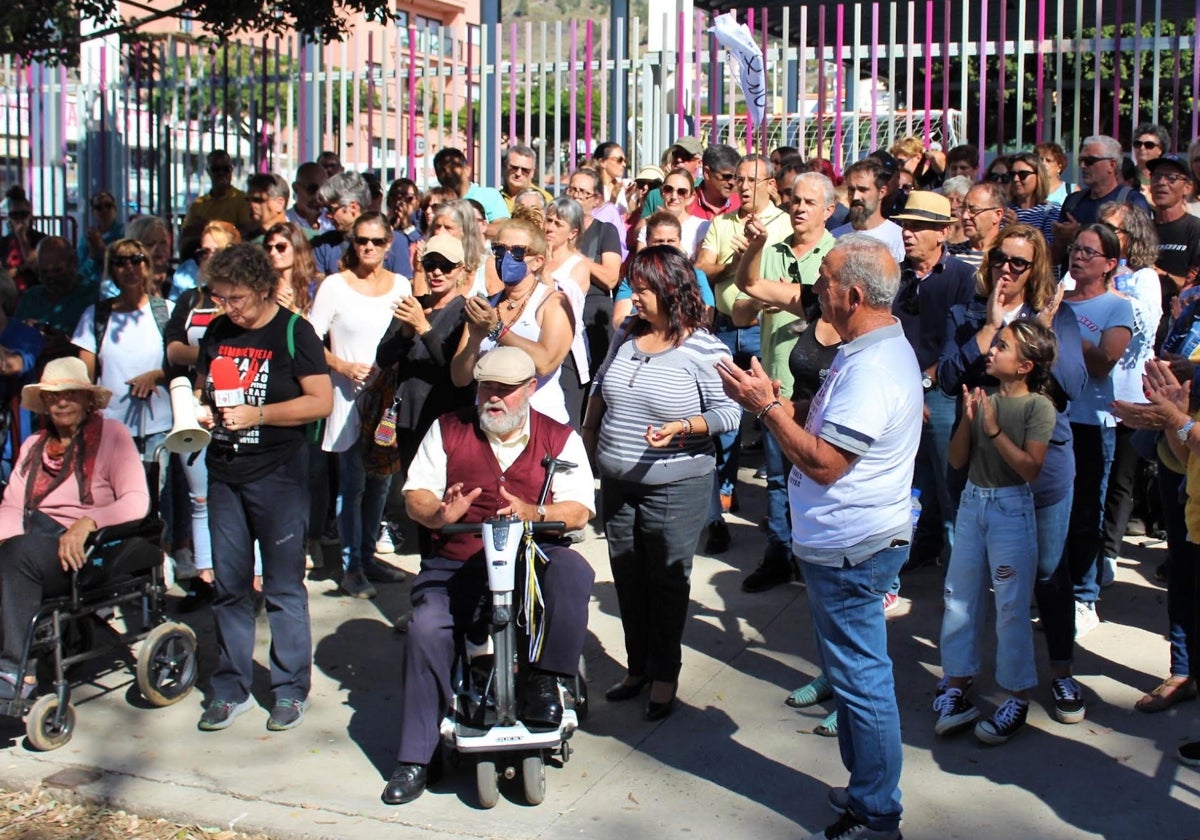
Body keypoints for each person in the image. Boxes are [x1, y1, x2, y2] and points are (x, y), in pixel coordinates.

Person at [717, 234, 920, 840]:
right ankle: (867, 792)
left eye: (824, 279)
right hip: (846, 544)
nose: (815, 289)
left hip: (853, 549)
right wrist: (777, 402)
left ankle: (878, 813)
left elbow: (827, 463)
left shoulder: (874, 366)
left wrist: (765, 409)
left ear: (852, 295)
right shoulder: (867, 350)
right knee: (857, 679)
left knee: (862, 685)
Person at [383, 346, 595, 805]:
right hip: (459, 559)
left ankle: (545, 682)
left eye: (505, 390)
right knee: (427, 626)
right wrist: (440, 513)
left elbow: (578, 511)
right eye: (486, 389)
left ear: (530, 390)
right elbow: (414, 494)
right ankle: (416, 757)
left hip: (530, 560)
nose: (493, 399)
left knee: (573, 573)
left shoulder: (559, 437)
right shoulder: (449, 429)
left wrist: (535, 512)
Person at [937, 224, 1089, 726]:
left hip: (1038, 473)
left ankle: (1061, 671)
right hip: (979, 472)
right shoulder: (966, 314)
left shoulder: (1056, 316)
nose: (1006, 268)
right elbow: (945, 379)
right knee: (971, 578)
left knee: (1047, 572)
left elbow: (1071, 387)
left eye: (1019, 262)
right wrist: (988, 332)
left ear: (1036, 269)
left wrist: (1041, 337)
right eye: (1000, 257)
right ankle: (960, 682)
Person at [588, 246, 740, 720]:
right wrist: (587, 441)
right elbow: (600, 386)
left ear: (673, 291)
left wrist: (683, 428)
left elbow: (731, 412)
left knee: (666, 582)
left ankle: (664, 675)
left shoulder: (705, 348)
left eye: (645, 289)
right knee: (628, 578)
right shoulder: (628, 332)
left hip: (676, 485)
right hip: (617, 480)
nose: (634, 298)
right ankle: (637, 667)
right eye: (633, 287)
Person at [193, 244, 332, 733]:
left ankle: (290, 689)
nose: (227, 308)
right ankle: (229, 687)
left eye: (236, 299)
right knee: (229, 586)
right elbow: (202, 385)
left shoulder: (296, 332)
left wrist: (261, 414)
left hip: (279, 474)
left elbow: (321, 402)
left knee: (282, 586)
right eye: (220, 297)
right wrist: (202, 409)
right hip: (226, 471)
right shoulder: (216, 331)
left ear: (263, 288)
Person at [935, 321, 1059, 744]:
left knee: (1010, 605)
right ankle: (956, 684)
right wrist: (971, 421)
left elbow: (1030, 467)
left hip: (1010, 508)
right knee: (959, 597)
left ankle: (1016, 695)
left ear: (1025, 365)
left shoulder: (1039, 408)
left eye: (1002, 347)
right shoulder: (982, 397)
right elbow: (956, 461)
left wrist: (992, 429)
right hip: (973, 502)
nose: (992, 351)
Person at [0, 357, 150, 701]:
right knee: (13, 551)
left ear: (87, 399)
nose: (61, 401)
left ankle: (15, 674)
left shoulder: (113, 435)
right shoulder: (34, 444)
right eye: (53, 396)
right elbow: (11, 504)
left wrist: (88, 521)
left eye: (70, 394)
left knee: (18, 555)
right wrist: (6, 540)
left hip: (89, 550)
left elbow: (136, 501)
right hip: (32, 542)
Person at [734, 170, 838, 592]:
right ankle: (779, 554)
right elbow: (741, 312)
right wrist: (763, 288)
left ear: (829, 210)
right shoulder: (770, 250)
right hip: (777, 384)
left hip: (824, 387)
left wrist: (783, 297)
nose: (798, 208)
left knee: (821, 477)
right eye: (794, 200)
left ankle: (816, 556)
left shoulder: (839, 255)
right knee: (778, 480)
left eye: (809, 202)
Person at [307, 212, 413, 599]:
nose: (367, 247)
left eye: (376, 241)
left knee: (381, 483)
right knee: (351, 486)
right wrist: (341, 365)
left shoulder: (402, 285)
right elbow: (309, 340)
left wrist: (388, 373)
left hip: (385, 401)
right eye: (361, 241)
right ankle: (352, 567)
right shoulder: (335, 286)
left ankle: (368, 557)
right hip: (346, 399)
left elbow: (408, 335)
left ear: (388, 245)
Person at [892, 192, 977, 568]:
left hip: (941, 391)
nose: (907, 234)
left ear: (942, 233)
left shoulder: (962, 277)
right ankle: (924, 547)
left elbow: (957, 340)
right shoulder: (896, 274)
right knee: (913, 476)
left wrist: (925, 385)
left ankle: (961, 564)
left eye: (917, 227)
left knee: (948, 482)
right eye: (905, 226)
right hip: (899, 390)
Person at [1062, 224, 1134, 636]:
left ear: (1109, 264)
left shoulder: (1115, 307)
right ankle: (1055, 589)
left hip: (1091, 421)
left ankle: (1085, 596)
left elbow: (1105, 360)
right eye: (1076, 249)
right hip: (1054, 418)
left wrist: (1066, 326)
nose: (1079, 257)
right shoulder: (1057, 299)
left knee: (1087, 511)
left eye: (1089, 252)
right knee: (1053, 511)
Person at [72, 238, 174, 504]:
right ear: (112, 270)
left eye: (136, 259)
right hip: (109, 429)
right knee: (113, 504)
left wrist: (156, 375)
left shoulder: (167, 312)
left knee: (154, 507)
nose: (129, 267)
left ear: (147, 266)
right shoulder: (95, 316)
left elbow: (184, 366)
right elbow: (83, 379)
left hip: (158, 429)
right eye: (120, 262)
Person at [450, 211, 575, 425]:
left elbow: (545, 362)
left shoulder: (553, 302)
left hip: (540, 423)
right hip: (491, 423)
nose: (506, 258)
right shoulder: (486, 305)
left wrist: (497, 330)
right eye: (499, 249)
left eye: (517, 252)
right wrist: (474, 341)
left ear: (537, 261)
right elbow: (460, 378)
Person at [1096, 202, 1161, 590]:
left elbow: (1141, 324)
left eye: (1113, 229)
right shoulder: (1092, 274)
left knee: (1121, 476)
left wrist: (1108, 291)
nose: (1104, 234)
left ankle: (1108, 551)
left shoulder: (1144, 278)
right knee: (1095, 474)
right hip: (1096, 390)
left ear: (1131, 237)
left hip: (1130, 390)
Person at [1051, 135, 1151, 265]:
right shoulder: (1073, 201)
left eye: (1090, 161)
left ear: (1112, 165)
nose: (1083, 166)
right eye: (1080, 160)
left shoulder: (1132, 201)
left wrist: (1079, 234)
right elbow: (1054, 259)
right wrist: (1060, 240)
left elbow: (1141, 253)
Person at [312, 172, 413, 280]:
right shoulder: (323, 245)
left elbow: (403, 289)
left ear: (353, 207)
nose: (327, 215)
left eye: (331, 209)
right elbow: (318, 290)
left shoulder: (394, 241)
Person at [831, 157, 905, 263]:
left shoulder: (897, 238)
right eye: (851, 190)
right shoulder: (835, 236)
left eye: (863, 190)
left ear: (882, 192)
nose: (856, 196)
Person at [180, 150, 252, 256]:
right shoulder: (199, 203)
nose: (221, 173)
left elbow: (246, 232)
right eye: (216, 169)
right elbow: (186, 232)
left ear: (231, 170)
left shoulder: (242, 199)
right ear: (208, 171)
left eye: (225, 169)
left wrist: (204, 227)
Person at [432, 147, 510, 234]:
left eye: (452, 167)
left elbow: (503, 227)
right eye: (442, 170)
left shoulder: (489, 195)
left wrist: (464, 230)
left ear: (467, 170)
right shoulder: (436, 202)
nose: (448, 172)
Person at [636, 167, 709, 258]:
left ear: (691, 197)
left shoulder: (701, 227)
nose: (674, 196)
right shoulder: (649, 227)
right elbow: (639, 265)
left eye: (682, 192)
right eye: (668, 189)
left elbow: (700, 268)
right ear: (662, 193)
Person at [265, 221, 322, 316]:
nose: (272, 253)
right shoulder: (263, 285)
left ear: (297, 248)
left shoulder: (316, 285)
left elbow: (317, 328)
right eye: (269, 247)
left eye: (280, 247)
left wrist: (294, 310)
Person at [1007, 151, 1062, 248]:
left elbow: (1049, 249)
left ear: (1039, 176)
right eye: (1012, 174)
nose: (1016, 179)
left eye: (1023, 174)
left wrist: (1017, 228)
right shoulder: (1005, 209)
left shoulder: (1051, 210)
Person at [951, 181, 1007, 269]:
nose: (965, 216)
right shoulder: (950, 254)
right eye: (963, 208)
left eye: (974, 210)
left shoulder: (1007, 257)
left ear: (997, 215)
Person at [77, 190, 124, 285]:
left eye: (108, 206)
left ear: (115, 209)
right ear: (93, 212)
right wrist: (92, 256)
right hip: (91, 288)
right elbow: (80, 272)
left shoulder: (124, 234)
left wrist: (102, 250)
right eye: (99, 207)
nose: (104, 210)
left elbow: (122, 266)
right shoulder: (87, 237)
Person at [287, 162, 332, 235]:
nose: (318, 196)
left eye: (323, 190)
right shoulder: (285, 222)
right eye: (312, 189)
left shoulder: (334, 222)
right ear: (295, 188)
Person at [1131, 122, 1170, 203]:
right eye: (1138, 144)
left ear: (1160, 149)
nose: (1142, 148)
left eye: (1149, 145)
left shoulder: (1168, 178)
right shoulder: (1125, 175)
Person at [245, 173, 290, 239]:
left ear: (279, 204)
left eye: (258, 200)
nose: (251, 205)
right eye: (247, 200)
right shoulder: (244, 242)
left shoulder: (305, 239)